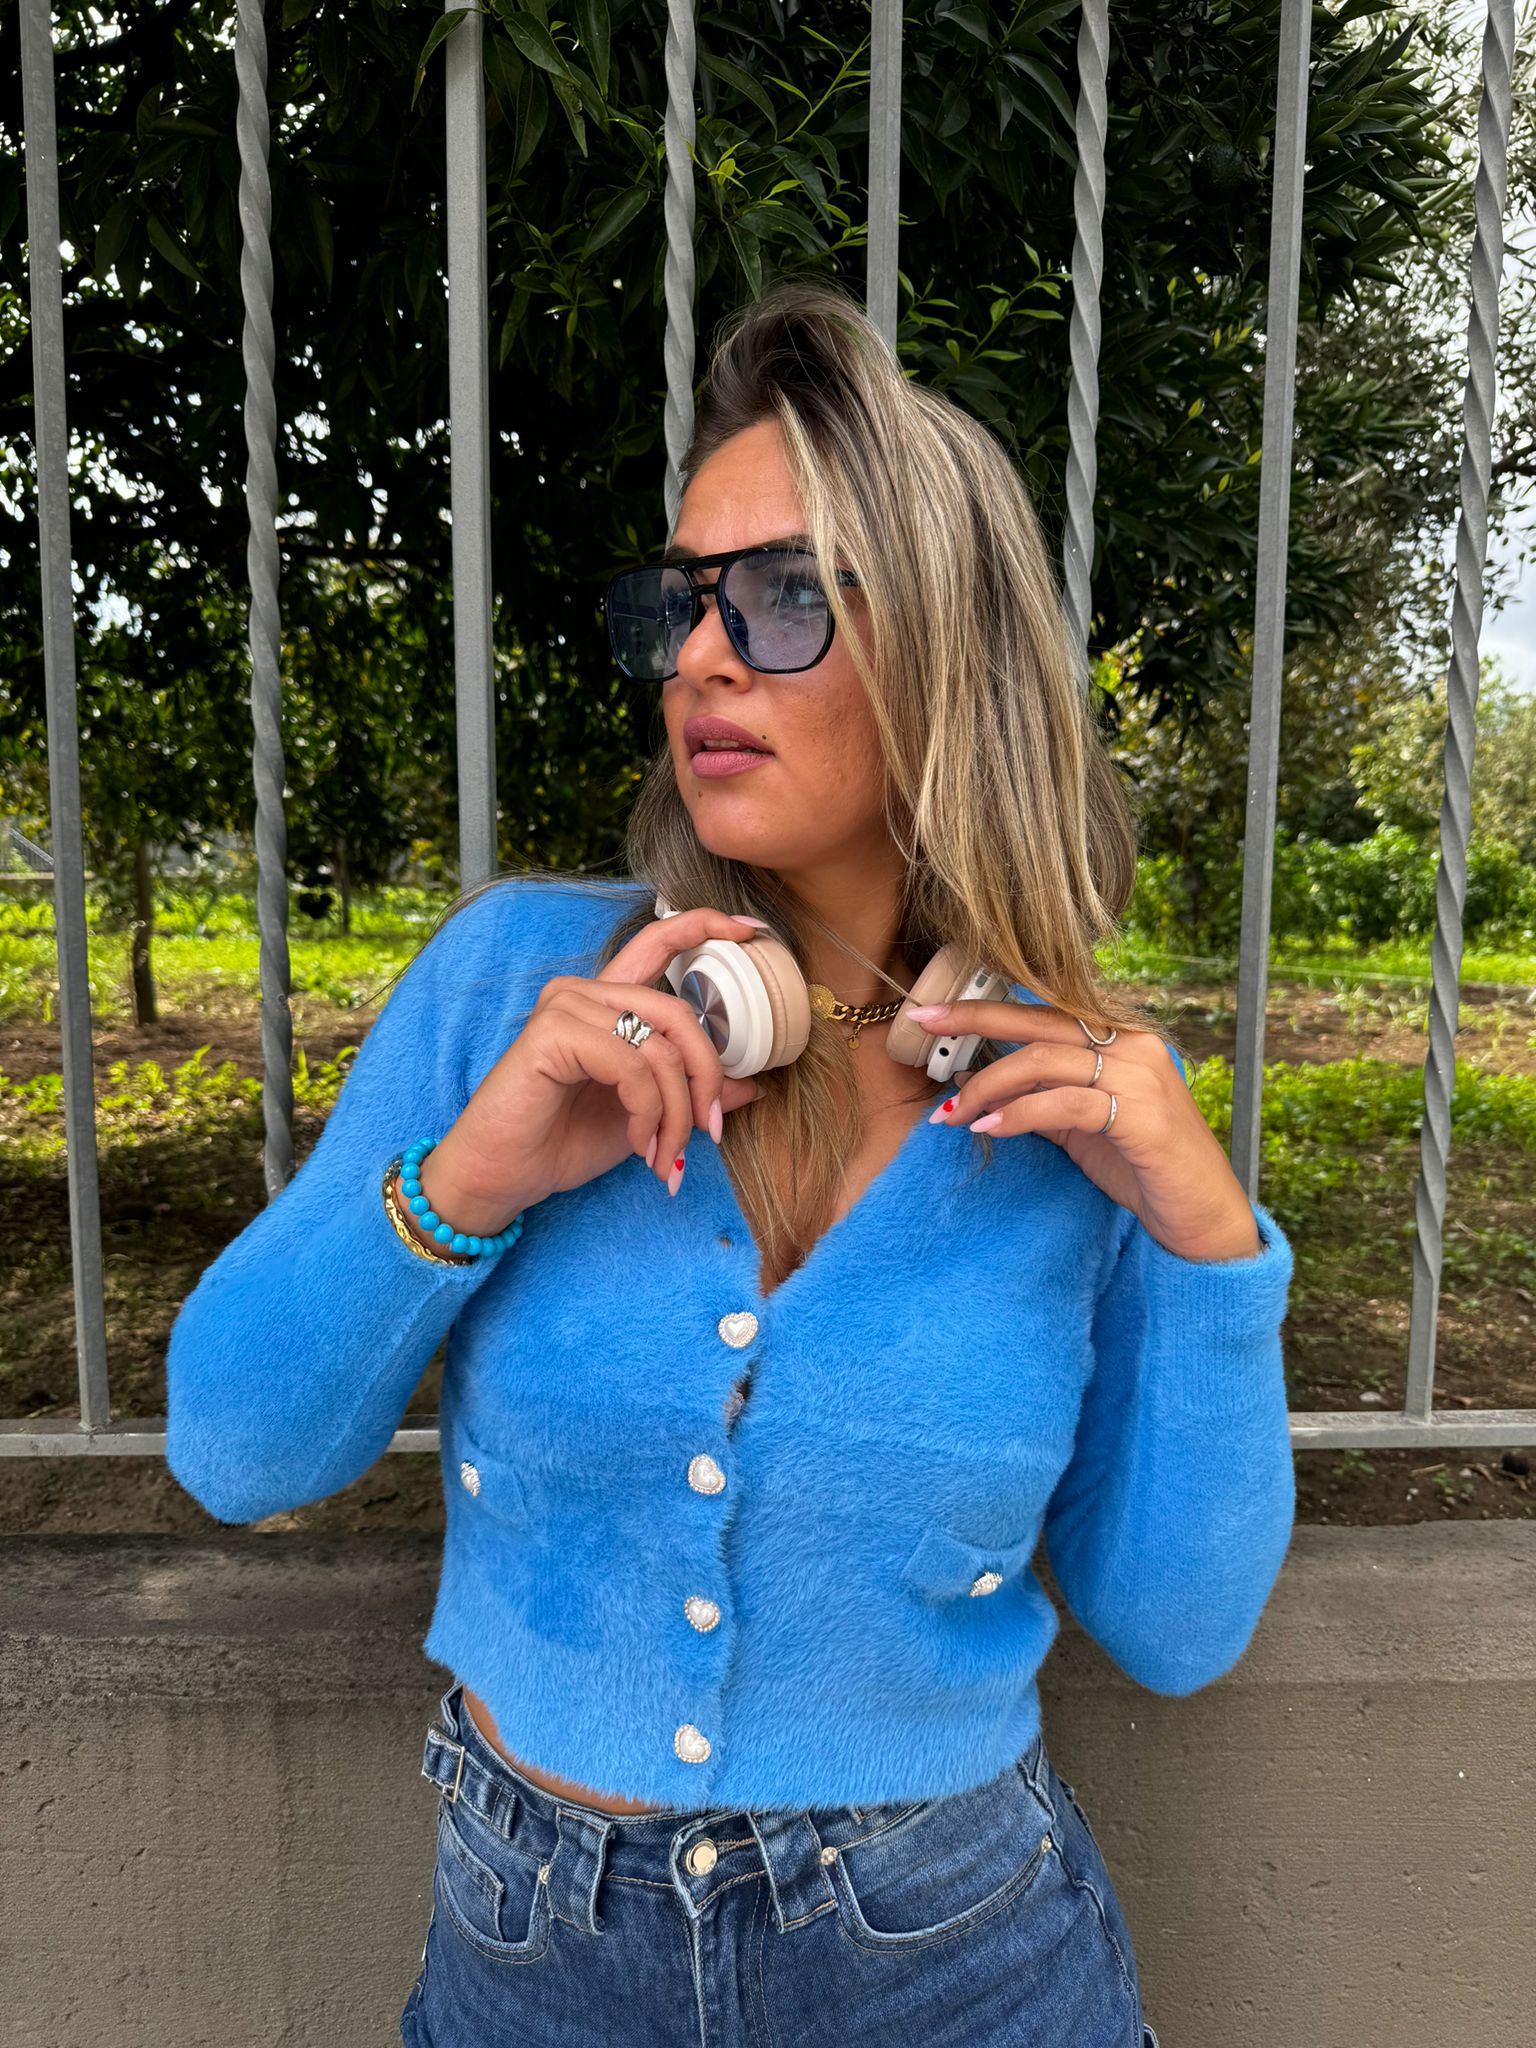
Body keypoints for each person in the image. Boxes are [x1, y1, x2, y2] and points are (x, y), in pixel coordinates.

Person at [167, 279, 1297, 2048]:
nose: (701, 656)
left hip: (965, 1961)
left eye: (781, 598)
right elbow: (236, 1451)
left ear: (949, 646)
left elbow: (1177, 1626)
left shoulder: (1076, 1107)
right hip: (535, 1961)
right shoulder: (519, 989)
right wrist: (468, 1183)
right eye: (683, 601)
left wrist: (1213, 1248)